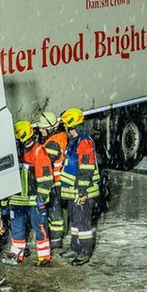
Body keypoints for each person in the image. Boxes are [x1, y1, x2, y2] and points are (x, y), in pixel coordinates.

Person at [4, 121, 53, 267]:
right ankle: (17, 253)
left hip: (33, 199)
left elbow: (46, 177)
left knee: (40, 227)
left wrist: (42, 197)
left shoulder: (38, 151)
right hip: (18, 199)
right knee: (17, 227)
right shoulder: (17, 151)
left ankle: (44, 256)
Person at [57, 108, 101, 266]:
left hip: (83, 192)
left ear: (70, 125)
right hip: (74, 192)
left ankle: (85, 252)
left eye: (66, 126)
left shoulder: (84, 142)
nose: (65, 129)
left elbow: (86, 169)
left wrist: (82, 192)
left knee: (83, 224)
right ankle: (75, 247)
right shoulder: (76, 142)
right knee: (76, 222)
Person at [36, 111, 68, 247]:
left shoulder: (53, 143)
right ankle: (57, 236)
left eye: (43, 128)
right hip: (60, 181)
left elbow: (46, 164)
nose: (40, 130)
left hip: (55, 182)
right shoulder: (61, 136)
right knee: (58, 210)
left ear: (50, 128)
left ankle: (55, 239)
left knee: (54, 211)